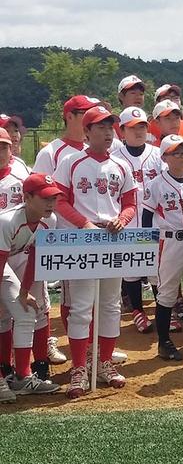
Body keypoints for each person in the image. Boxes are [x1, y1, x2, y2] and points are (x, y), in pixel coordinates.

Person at [53, 105, 138, 398]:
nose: (107, 132)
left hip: (113, 238)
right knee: (81, 307)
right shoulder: (70, 162)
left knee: (111, 305)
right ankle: (79, 367)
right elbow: (60, 201)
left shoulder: (121, 165)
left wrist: (123, 219)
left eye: (109, 126)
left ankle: (104, 362)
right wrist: (84, 223)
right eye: (100, 126)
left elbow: (130, 203)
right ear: (86, 131)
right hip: (82, 239)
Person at [143, 134, 183, 361]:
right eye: (176, 153)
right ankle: (164, 343)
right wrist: (149, 247)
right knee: (167, 292)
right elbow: (146, 217)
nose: (182, 157)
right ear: (164, 157)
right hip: (170, 241)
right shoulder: (155, 184)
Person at [0, 172, 63, 401]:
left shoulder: (50, 220)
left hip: (3, 264)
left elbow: (35, 257)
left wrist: (24, 292)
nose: (50, 203)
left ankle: (23, 377)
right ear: (27, 198)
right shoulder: (7, 221)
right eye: (45, 198)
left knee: (25, 312)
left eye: (53, 198)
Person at [113, 107, 164, 334]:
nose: (139, 131)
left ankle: (163, 310)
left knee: (157, 269)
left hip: (155, 220)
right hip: (127, 221)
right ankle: (137, 310)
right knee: (131, 268)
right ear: (123, 130)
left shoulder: (158, 154)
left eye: (142, 126)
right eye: (133, 127)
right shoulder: (114, 158)